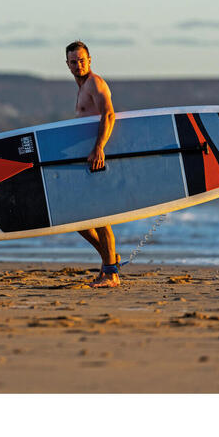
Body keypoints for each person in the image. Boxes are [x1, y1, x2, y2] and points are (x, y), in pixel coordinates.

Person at [65, 40, 120, 288]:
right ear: (67, 65)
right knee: (78, 219)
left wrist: (99, 148)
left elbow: (109, 114)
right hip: (87, 157)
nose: (79, 65)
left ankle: (111, 273)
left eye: (82, 60)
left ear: (90, 60)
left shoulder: (95, 83)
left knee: (99, 215)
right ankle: (110, 261)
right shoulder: (81, 88)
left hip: (97, 156)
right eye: (74, 61)